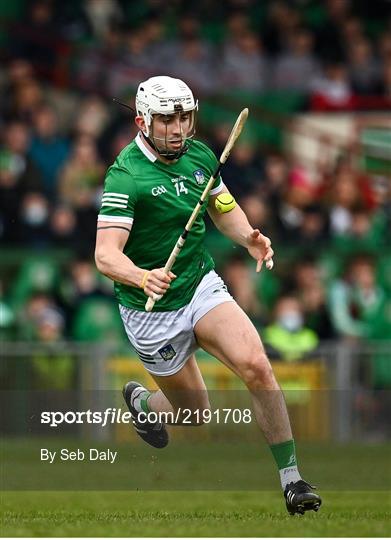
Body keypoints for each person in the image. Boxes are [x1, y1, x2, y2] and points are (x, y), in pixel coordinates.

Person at [94, 75, 321, 516]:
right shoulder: (126, 175)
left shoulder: (200, 156)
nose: (178, 128)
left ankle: (293, 482)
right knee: (194, 414)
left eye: (184, 117)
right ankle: (144, 403)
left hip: (199, 284)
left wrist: (249, 238)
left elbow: (222, 207)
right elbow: (105, 255)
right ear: (143, 121)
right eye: (166, 120)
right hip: (150, 310)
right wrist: (141, 276)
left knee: (257, 365)